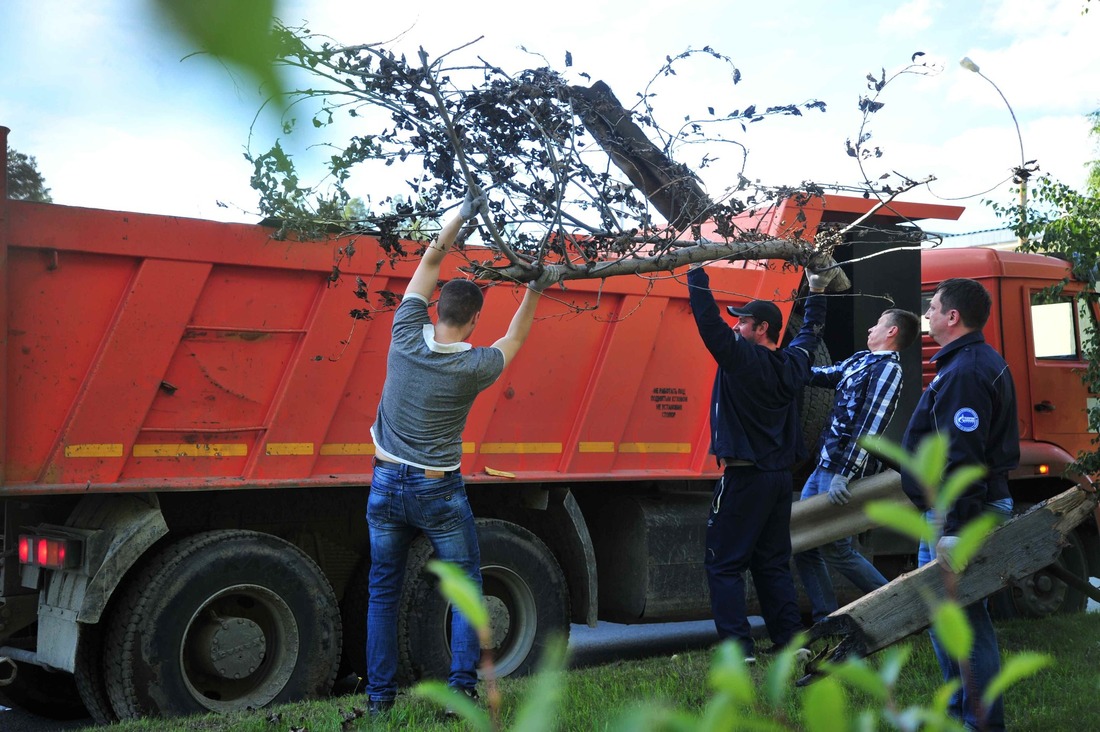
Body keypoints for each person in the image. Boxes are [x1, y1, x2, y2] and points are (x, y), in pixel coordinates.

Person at [365, 190, 544, 715]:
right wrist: (536, 287)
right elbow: (516, 337)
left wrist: (462, 214)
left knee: (382, 593)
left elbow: (431, 259)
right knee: (465, 587)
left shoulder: (404, 335)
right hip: (436, 489)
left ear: (435, 309)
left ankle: (379, 702)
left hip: (384, 483)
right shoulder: (475, 366)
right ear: (472, 320)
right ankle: (460, 688)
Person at [686, 260, 837, 663]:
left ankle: (738, 649)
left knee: (724, 565)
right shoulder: (793, 366)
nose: (736, 327)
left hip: (744, 478)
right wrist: (817, 292)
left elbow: (707, 322)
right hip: (777, 482)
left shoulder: (742, 360)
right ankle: (790, 640)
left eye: (743, 322)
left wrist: (695, 270)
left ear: (762, 329)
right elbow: (810, 334)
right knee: (771, 563)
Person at [901, 277, 1018, 732]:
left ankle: (979, 724)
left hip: (962, 515)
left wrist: (955, 528)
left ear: (953, 317)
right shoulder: (965, 364)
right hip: (957, 513)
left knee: (963, 626)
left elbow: (963, 457)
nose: (927, 314)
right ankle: (965, 719)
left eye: (933, 307)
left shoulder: (966, 371)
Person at [795, 308, 921, 622]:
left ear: (892, 332)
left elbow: (869, 425)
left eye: (877, 322)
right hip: (824, 465)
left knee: (837, 548)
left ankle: (899, 606)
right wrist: (787, 361)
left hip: (841, 471)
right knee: (803, 544)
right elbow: (822, 376)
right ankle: (826, 618)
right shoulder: (861, 360)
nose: (870, 327)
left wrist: (844, 474)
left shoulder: (888, 370)